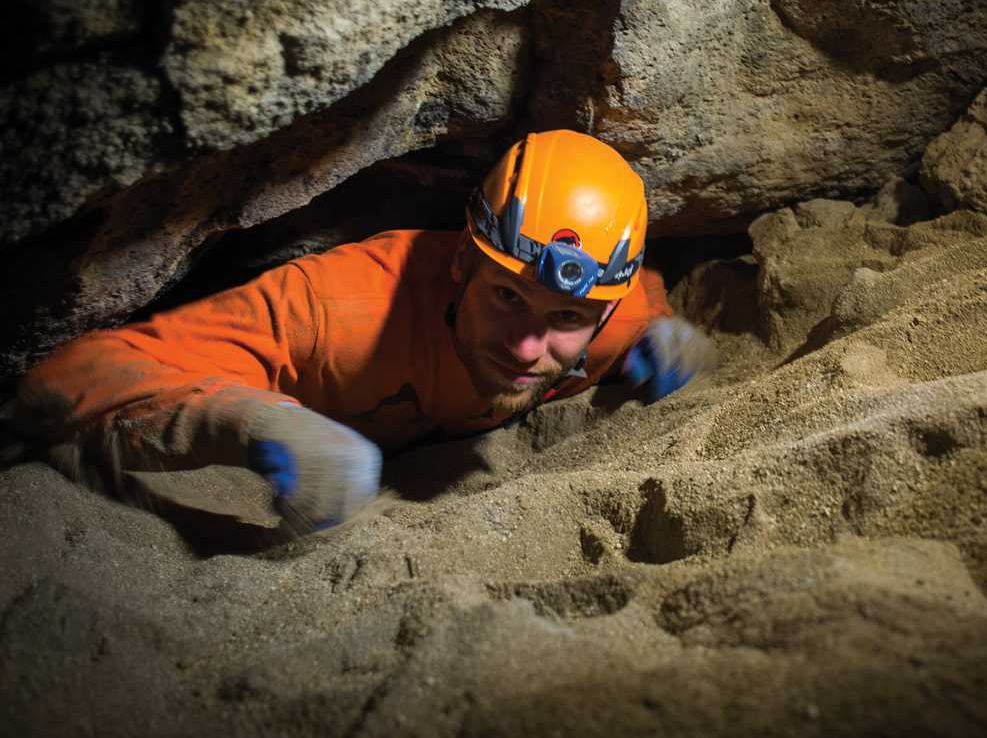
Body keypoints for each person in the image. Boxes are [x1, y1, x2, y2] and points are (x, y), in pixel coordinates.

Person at [13, 130, 715, 535]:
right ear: (465, 260)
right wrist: (248, 421)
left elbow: (643, 304)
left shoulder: (613, 316)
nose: (529, 346)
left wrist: (662, 338)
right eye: (506, 296)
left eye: (565, 319)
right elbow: (63, 378)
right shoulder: (334, 310)